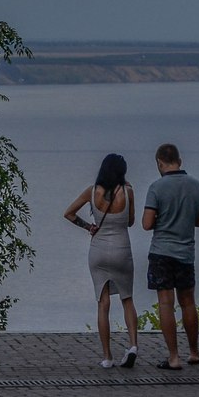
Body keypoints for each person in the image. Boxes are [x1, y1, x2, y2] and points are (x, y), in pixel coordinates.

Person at [63, 153, 140, 368]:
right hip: (122, 250)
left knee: (103, 302)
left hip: (98, 251)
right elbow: (131, 222)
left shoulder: (92, 191)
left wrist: (89, 226)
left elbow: (68, 213)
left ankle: (107, 357)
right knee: (127, 299)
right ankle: (133, 345)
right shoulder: (128, 192)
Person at [142, 143, 199, 370]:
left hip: (161, 252)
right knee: (188, 302)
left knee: (166, 303)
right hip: (185, 253)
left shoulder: (156, 188)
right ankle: (194, 352)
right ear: (179, 161)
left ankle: (173, 357)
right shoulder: (197, 186)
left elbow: (146, 223)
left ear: (159, 163)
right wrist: (184, 220)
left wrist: (166, 220)